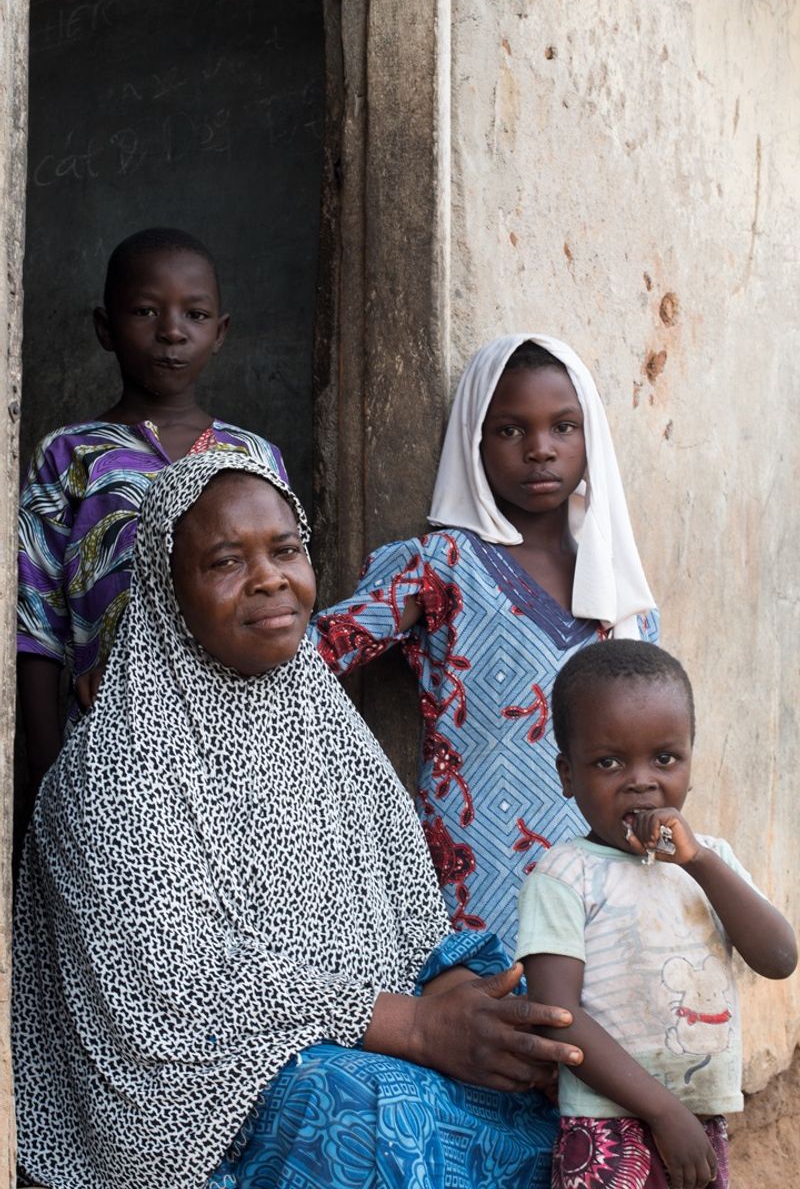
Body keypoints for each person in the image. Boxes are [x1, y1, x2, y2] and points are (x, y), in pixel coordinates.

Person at [12, 450, 585, 1189]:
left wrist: (456, 1000)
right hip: (196, 1099)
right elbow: (175, 993)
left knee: (560, 1057)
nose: (269, 578)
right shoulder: (116, 762)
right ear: (166, 589)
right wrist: (411, 1027)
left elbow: (413, 915)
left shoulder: (321, 717)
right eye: (226, 562)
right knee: (370, 1114)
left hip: (364, 1029)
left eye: (285, 550)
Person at [311, 333, 658, 955]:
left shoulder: (621, 592)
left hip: (603, 878)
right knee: (496, 1007)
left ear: (592, 439)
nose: (540, 449)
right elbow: (315, 651)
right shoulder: (441, 567)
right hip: (473, 879)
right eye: (510, 430)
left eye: (564, 427)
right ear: (474, 440)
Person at [16, 227, 286, 799]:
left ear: (220, 332)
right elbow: (35, 624)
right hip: (109, 740)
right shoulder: (69, 455)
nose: (171, 331)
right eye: (145, 311)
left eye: (195, 314)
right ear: (105, 327)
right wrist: (41, 768)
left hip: (240, 739)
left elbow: (279, 596)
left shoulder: (253, 456)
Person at [517, 639, 797, 1189]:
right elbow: (556, 1012)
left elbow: (779, 957)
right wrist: (663, 1111)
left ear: (691, 762)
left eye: (664, 758)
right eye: (609, 762)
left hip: (700, 1122)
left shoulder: (709, 860)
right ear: (568, 775)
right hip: (606, 1129)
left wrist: (700, 863)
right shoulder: (565, 875)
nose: (641, 780)